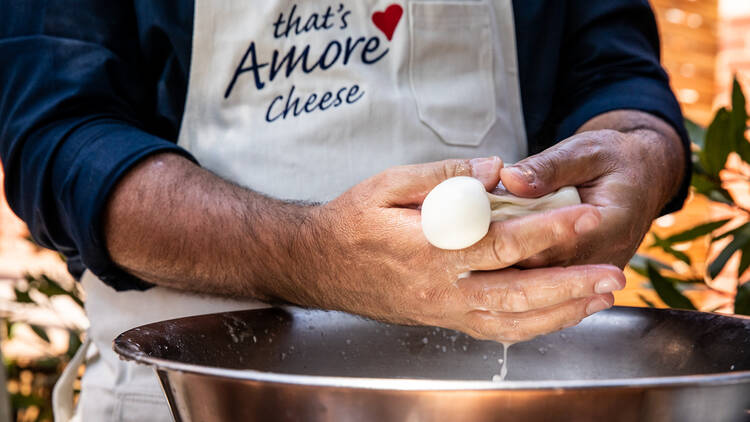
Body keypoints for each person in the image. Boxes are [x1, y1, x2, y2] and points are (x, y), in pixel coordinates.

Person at [0, 0, 689, 420]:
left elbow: (615, 72)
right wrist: (312, 254)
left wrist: (643, 154)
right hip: (193, 400)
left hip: (498, 393)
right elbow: (59, 140)